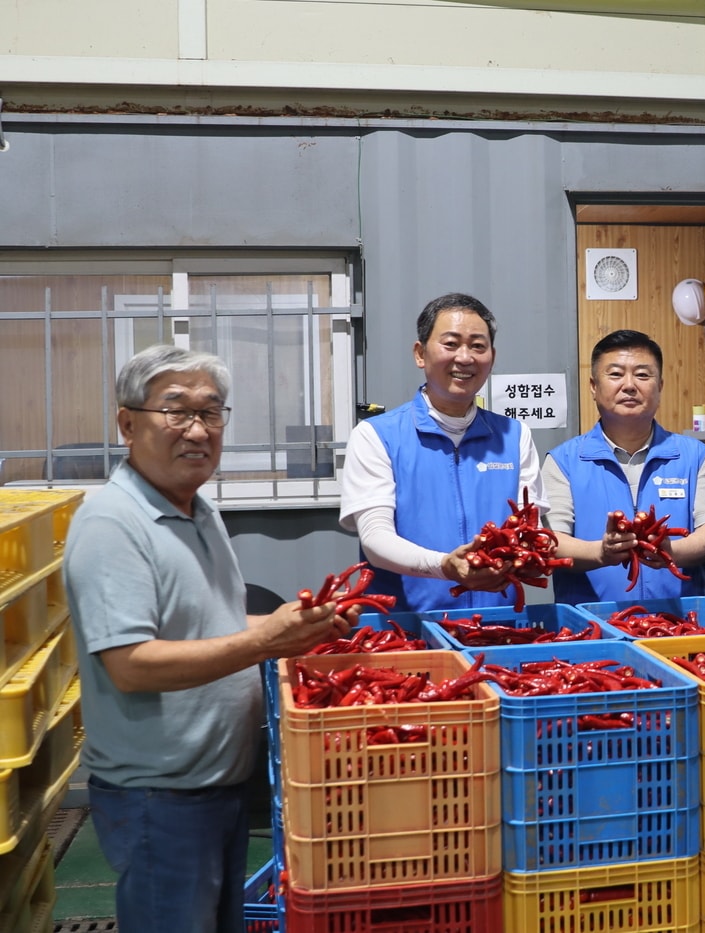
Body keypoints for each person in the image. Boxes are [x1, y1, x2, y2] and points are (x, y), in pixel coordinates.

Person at [64, 344, 350, 933]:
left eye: (212, 412)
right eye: (176, 411)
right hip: (159, 797)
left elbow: (213, 626)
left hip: (216, 786)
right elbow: (132, 665)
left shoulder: (198, 510)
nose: (197, 430)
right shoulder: (111, 525)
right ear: (127, 423)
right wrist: (265, 641)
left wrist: (302, 633)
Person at [339, 292, 547, 612]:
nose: (465, 357)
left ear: (492, 356)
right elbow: (375, 539)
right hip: (407, 631)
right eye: (451, 344)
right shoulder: (376, 436)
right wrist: (444, 566)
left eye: (478, 346)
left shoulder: (514, 435)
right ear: (420, 353)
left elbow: (530, 530)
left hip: (497, 627)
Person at [544, 329, 705, 604]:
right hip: (591, 628)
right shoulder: (563, 461)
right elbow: (551, 541)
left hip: (678, 625)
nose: (629, 385)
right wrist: (600, 553)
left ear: (660, 386)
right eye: (615, 374)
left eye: (642, 375)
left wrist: (669, 551)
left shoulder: (694, 456)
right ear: (593, 386)